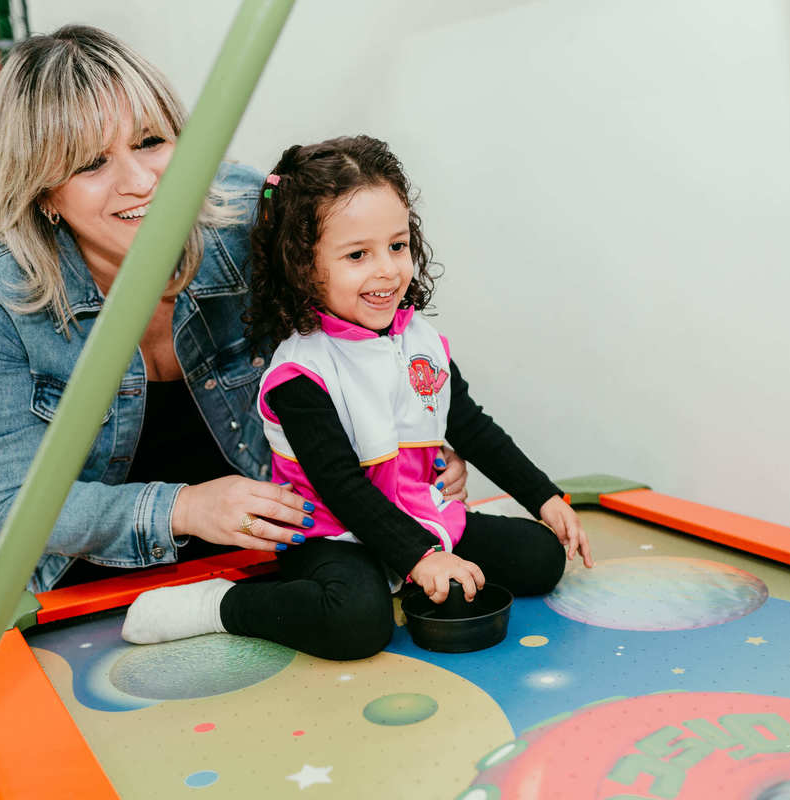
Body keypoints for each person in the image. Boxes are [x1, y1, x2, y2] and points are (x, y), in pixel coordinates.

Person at [0, 27, 467, 594]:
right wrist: (184, 509)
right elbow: (9, 508)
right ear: (43, 191)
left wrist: (417, 441)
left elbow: (365, 344)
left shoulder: (249, 215)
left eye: (150, 142)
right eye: (91, 163)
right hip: (92, 580)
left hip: (289, 542)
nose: (140, 182)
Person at [121, 135, 594, 660]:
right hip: (331, 532)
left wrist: (545, 499)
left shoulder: (419, 341)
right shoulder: (300, 372)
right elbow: (342, 487)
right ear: (304, 266)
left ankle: (410, 573)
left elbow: (471, 425)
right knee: (357, 624)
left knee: (542, 559)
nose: (387, 270)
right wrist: (424, 559)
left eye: (397, 245)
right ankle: (222, 605)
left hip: (417, 516)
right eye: (357, 255)